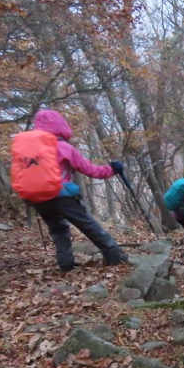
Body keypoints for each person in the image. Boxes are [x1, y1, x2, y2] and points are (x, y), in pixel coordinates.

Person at [26, 109, 128, 272]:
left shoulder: (30, 151)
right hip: (61, 195)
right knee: (87, 224)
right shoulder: (63, 147)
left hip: (37, 198)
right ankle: (113, 254)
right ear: (60, 125)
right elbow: (91, 170)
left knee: (58, 228)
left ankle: (66, 264)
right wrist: (112, 170)